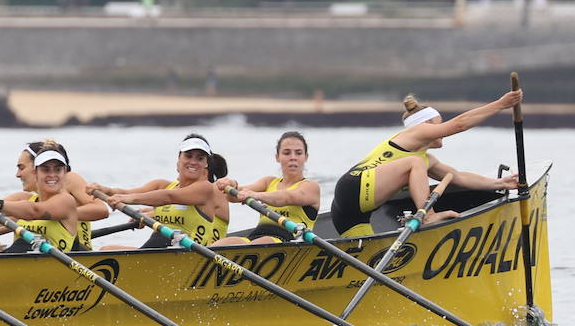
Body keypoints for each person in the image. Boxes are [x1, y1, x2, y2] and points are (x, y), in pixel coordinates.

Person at [329, 90, 523, 239]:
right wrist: (500, 104)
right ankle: (428, 215)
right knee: (414, 163)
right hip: (354, 186)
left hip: (352, 213)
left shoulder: (425, 160)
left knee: (367, 259)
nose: (441, 128)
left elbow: (460, 177)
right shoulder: (418, 132)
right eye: (439, 123)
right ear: (428, 123)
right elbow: (459, 124)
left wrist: (501, 184)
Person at [90, 133, 229, 249]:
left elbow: (168, 197)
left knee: (167, 235)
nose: (193, 162)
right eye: (188, 156)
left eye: (200, 158)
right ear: (178, 159)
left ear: (206, 164)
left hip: (189, 255)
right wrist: (105, 190)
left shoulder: (205, 188)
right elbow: (127, 192)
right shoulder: (161, 184)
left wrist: (130, 201)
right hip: (160, 251)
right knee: (106, 249)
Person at [0, 140, 107, 250]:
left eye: (21, 168)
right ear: (36, 171)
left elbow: (101, 210)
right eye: (45, 169)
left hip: (77, 252)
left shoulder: (69, 180)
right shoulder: (25, 199)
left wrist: (60, 213)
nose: (17, 174)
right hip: (41, 250)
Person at [0, 142, 82, 253]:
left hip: (53, 265)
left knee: (23, 243)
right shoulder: (23, 198)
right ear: (35, 173)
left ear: (65, 173)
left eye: (58, 170)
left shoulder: (66, 201)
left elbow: (34, 211)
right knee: (21, 244)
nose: (52, 175)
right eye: (45, 169)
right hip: (24, 260)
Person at [214, 131, 320, 245]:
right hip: (256, 236)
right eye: (287, 153)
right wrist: (233, 184)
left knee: (256, 245)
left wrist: (255, 195)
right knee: (220, 245)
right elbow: (233, 198)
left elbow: (286, 197)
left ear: (306, 157)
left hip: (289, 240)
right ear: (277, 157)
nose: (293, 157)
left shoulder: (311, 186)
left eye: (298, 153)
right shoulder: (268, 182)